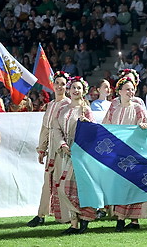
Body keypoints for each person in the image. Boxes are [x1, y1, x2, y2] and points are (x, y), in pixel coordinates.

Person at [102, 77, 147, 232]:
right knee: (120, 184)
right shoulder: (113, 108)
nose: (131, 92)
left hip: (132, 153)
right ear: (120, 91)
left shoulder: (137, 108)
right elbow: (105, 127)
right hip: (117, 153)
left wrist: (143, 126)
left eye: (132, 89)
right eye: (127, 89)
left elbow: (145, 126)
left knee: (132, 185)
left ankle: (131, 220)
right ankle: (122, 218)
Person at [53, 76, 96, 234]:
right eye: (74, 88)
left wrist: (87, 125)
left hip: (80, 153)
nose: (76, 90)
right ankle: (75, 223)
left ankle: (84, 217)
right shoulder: (63, 110)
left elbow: (94, 132)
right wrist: (62, 144)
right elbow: (56, 129)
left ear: (83, 91)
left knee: (73, 187)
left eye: (79, 88)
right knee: (66, 187)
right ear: (69, 90)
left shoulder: (86, 110)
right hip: (66, 151)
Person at [27, 71, 71, 227]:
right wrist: (42, 148)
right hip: (51, 147)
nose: (59, 86)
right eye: (57, 83)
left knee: (62, 181)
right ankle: (41, 214)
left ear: (67, 87)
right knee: (48, 181)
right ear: (53, 85)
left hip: (63, 148)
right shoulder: (50, 105)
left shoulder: (68, 104)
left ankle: (67, 215)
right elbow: (45, 128)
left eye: (62, 84)